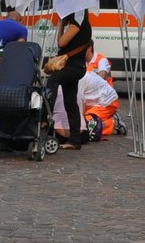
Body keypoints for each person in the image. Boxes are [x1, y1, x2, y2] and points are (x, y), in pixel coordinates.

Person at [47, 10, 92, 149]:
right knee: (70, 102)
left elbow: (61, 43)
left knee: (53, 80)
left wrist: (62, 23)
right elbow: (61, 41)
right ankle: (74, 140)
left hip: (73, 67)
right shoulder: (77, 22)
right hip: (73, 66)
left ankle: (44, 114)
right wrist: (61, 23)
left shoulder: (78, 22)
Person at [79, 56, 121, 141]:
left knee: (85, 125)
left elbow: (79, 101)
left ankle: (113, 123)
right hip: (96, 102)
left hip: (107, 102)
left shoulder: (80, 79)